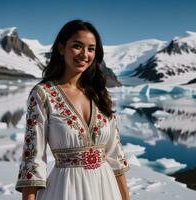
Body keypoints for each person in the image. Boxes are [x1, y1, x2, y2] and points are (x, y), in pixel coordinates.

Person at [15, 19, 130, 200]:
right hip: (66, 190)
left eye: (91, 49)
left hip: (106, 189)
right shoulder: (43, 94)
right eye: (77, 46)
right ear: (61, 48)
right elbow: (33, 160)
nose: (84, 54)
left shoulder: (100, 94)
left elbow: (116, 156)